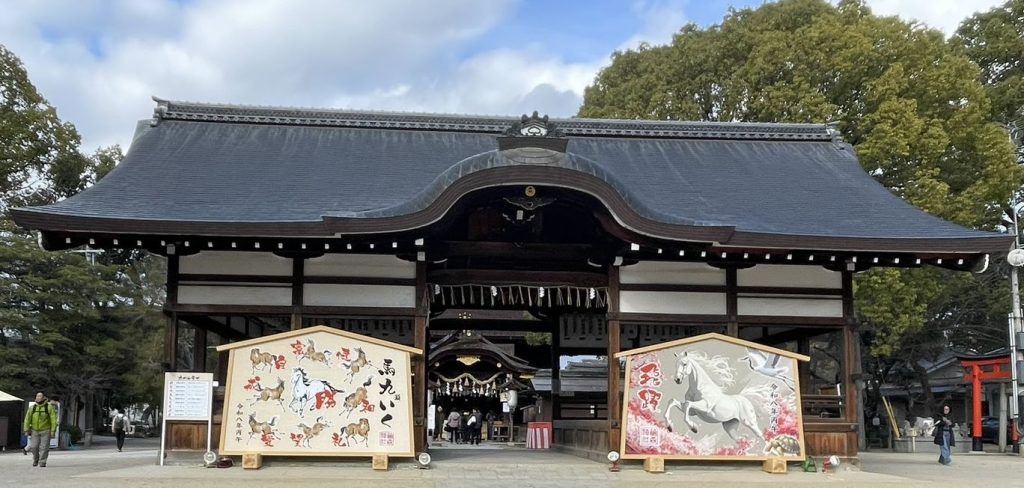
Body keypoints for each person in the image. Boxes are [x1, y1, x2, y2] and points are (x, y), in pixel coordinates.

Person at [23, 392, 57, 468]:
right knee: (33, 446)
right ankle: (36, 459)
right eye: (37, 396)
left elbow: (53, 419)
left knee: (44, 447)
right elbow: (27, 419)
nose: (38, 397)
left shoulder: (49, 407)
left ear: (44, 397)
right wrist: (26, 429)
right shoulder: (32, 407)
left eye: (40, 396)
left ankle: (42, 462)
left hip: (46, 430)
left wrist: (53, 430)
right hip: (35, 430)